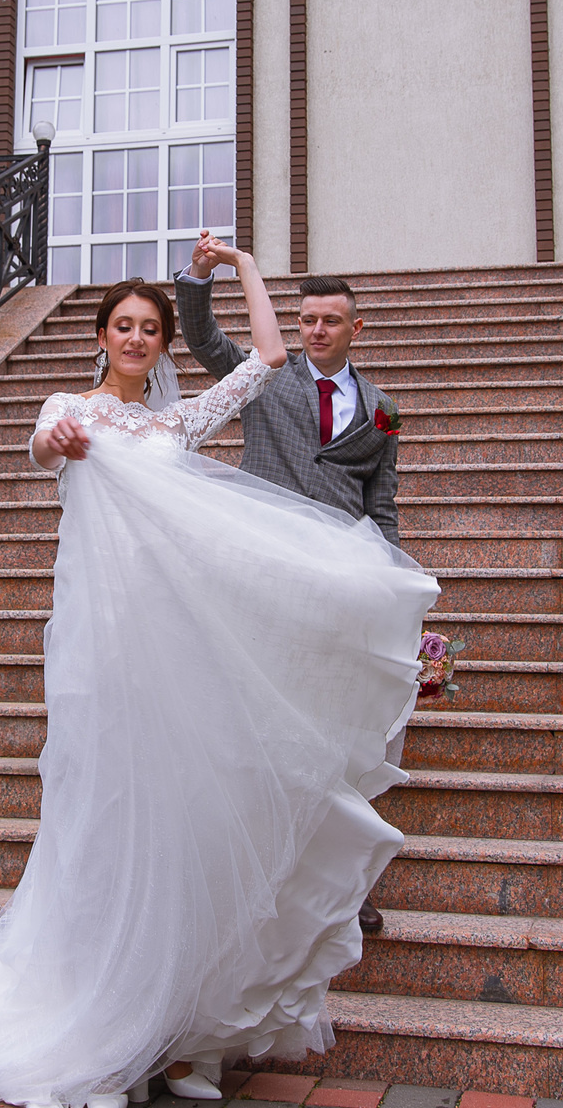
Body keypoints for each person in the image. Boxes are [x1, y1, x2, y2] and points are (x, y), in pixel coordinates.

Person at [0, 255, 439, 1108]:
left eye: (151, 329)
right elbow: (42, 445)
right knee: (107, 827)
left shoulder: (175, 428)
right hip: (104, 662)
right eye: (124, 326)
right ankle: (107, 1028)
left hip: (183, 663)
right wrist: (56, 443)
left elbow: (268, 359)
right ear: (102, 336)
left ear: (162, 344)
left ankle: (183, 1034)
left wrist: (240, 266)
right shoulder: (67, 413)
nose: (136, 339)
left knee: (189, 829)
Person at [174, 237, 407, 932]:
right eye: (306, 319)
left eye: (329, 320)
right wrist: (198, 275)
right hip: (268, 579)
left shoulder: (383, 407)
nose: (315, 329)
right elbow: (204, 337)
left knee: (341, 738)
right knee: (272, 732)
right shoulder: (266, 373)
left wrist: (394, 595)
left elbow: (383, 505)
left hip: (343, 592)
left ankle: (344, 882)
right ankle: (261, 871)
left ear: (354, 328)